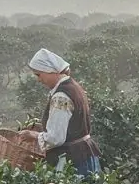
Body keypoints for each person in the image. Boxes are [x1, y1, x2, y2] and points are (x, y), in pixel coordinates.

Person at [26, 48, 101, 176]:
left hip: (73, 161)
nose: (38, 80)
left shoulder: (61, 96)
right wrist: (41, 128)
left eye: (39, 74)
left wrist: (32, 135)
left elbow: (56, 138)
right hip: (85, 154)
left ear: (50, 71)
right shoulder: (72, 86)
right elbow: (71, 124)